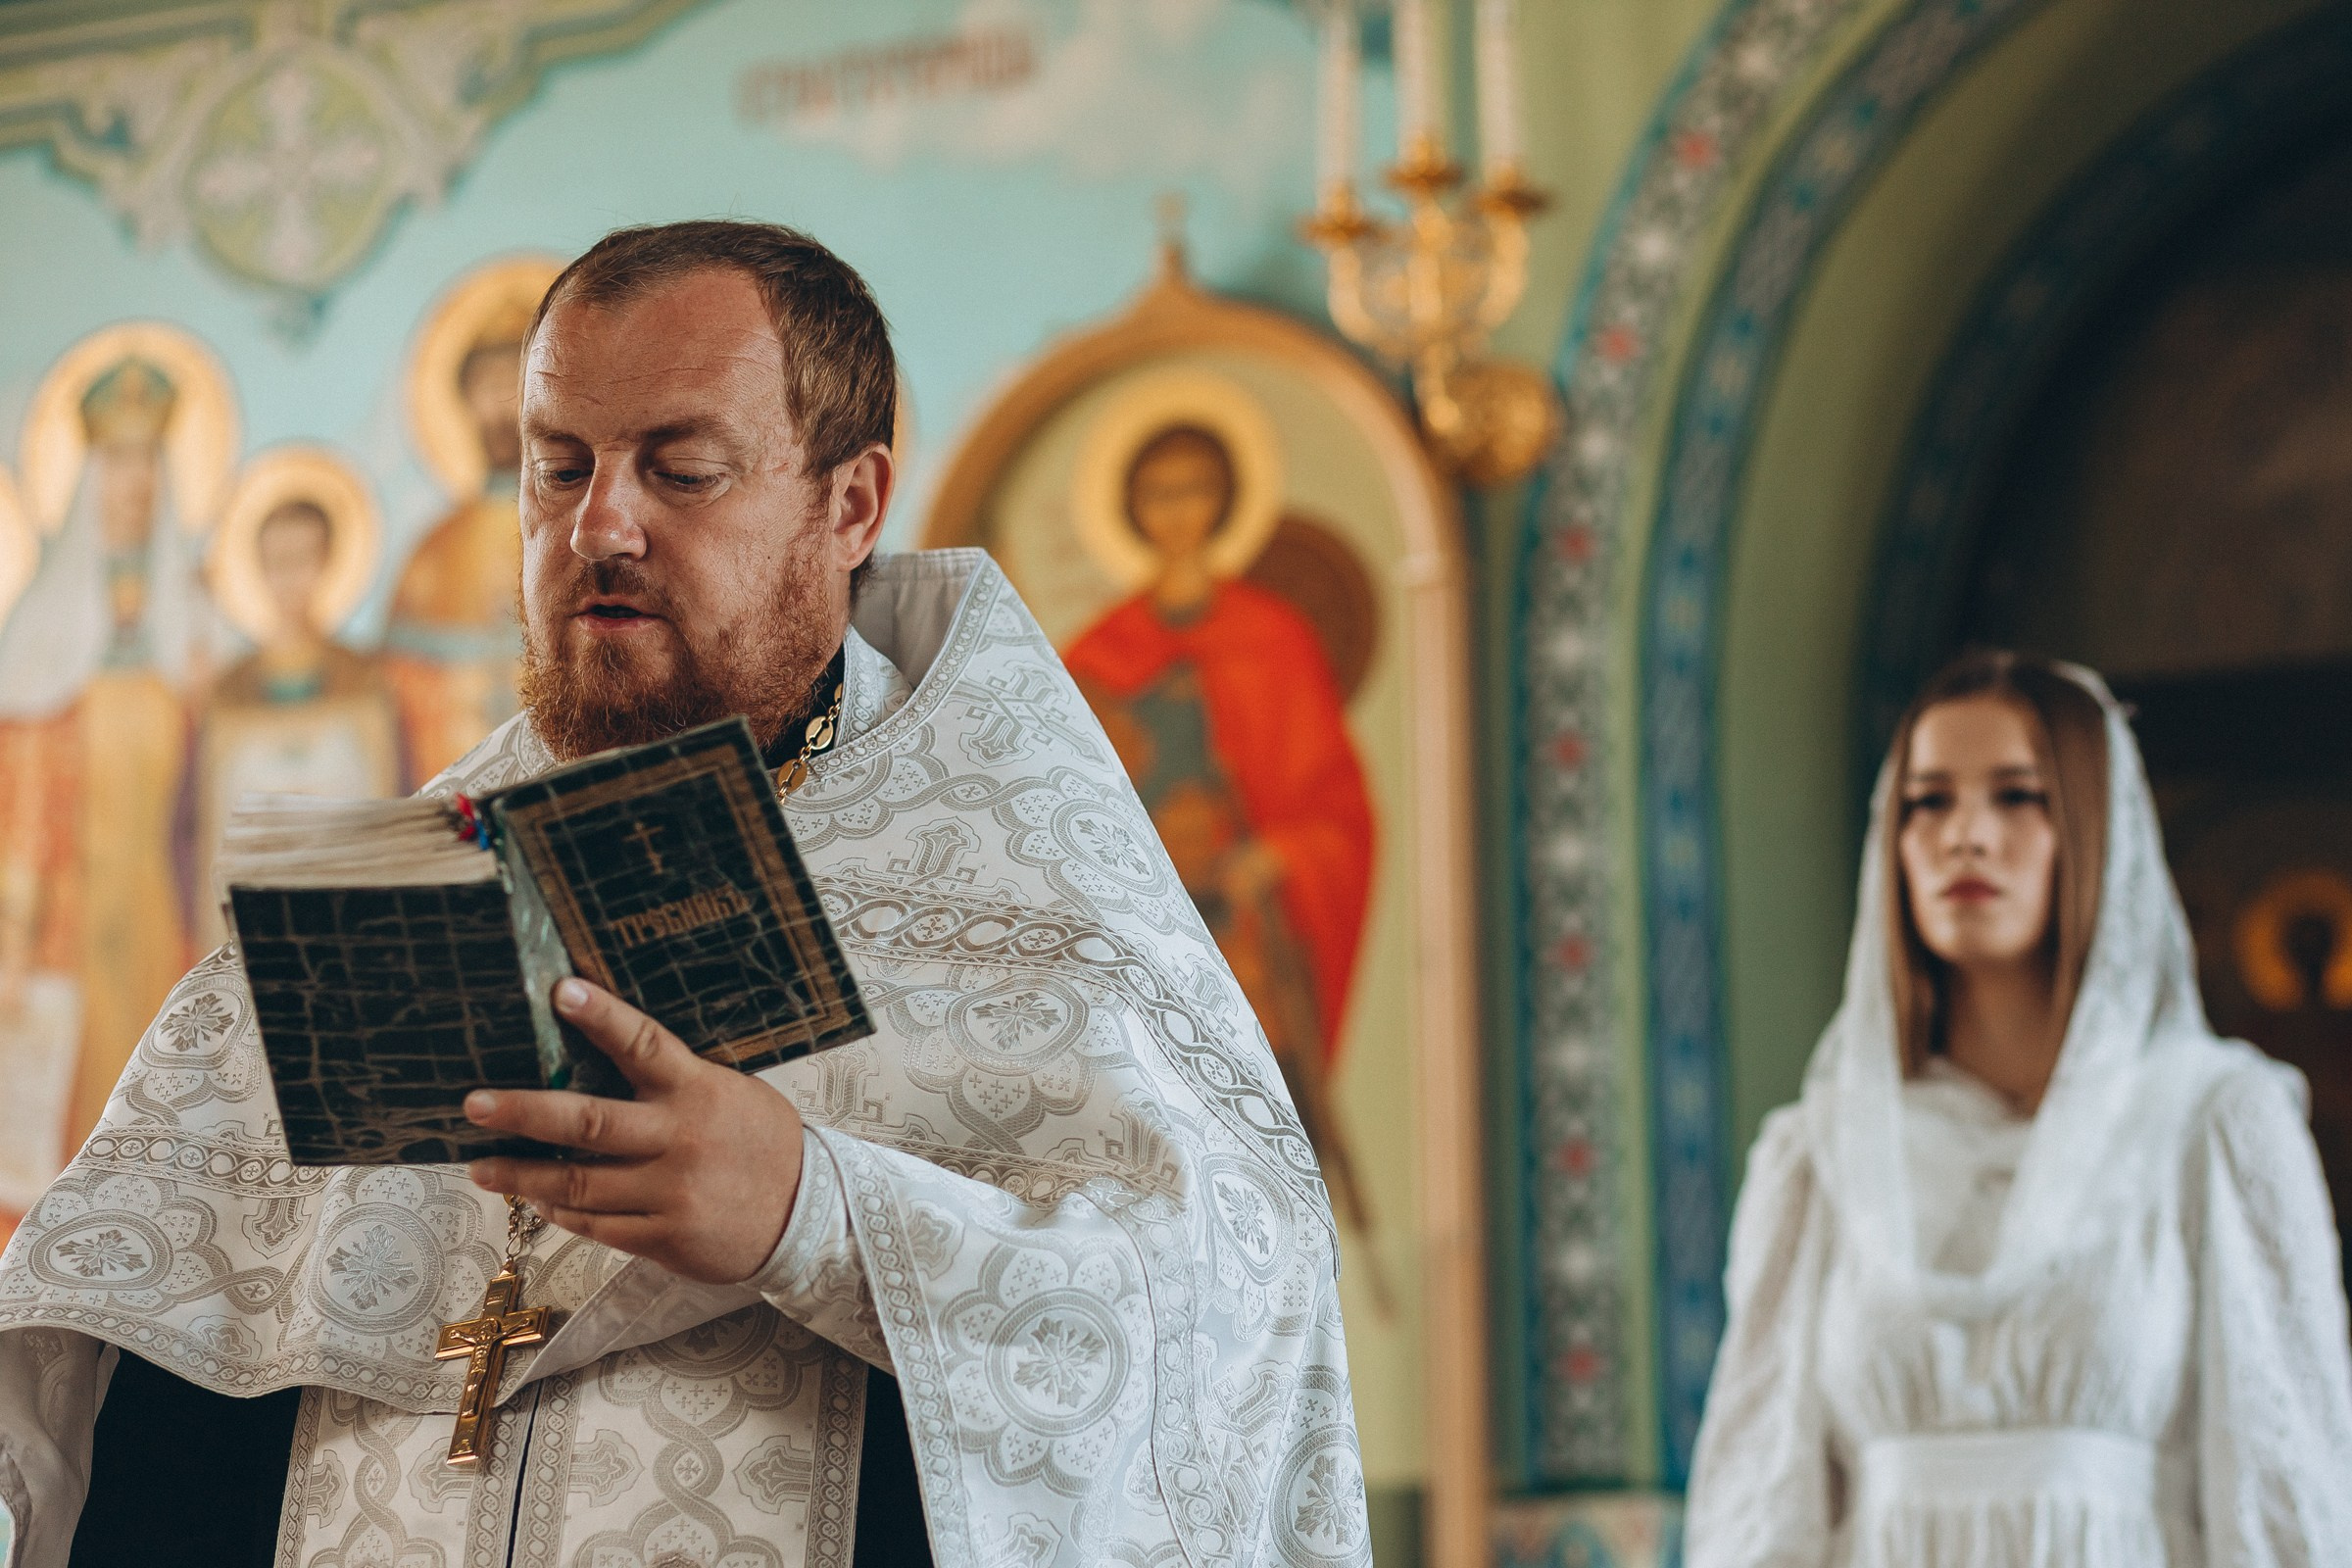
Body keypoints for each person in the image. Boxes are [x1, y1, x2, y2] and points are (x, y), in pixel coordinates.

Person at [0, 220, 1368, 1568]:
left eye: (683, 471)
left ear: (850, 506)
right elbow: (175, 1383)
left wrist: (810, 1213)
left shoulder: (1032, 893)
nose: (600, 525)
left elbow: (1229, 1327)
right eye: (559, 469)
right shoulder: (402, 887)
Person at [1684, 651, 2352, 1566]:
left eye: (2016, 797)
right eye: (1929, 802)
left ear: (2093, 827)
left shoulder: (2212, 1124)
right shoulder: (1819, 1158)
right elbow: (1757, 1505)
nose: (1966, 836)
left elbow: (2286, 1488)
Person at [1061, 424, 1379, 1257]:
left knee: (1257, 1144)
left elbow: (1335, 808)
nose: (1178, 512)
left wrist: (1280, 854)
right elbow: (1058, 805)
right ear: (1133, 507)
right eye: (1160, 493)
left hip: (1243, 939)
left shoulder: (1272, 642)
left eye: (1195, 489)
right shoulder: (1099, 651)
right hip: (1150, 935)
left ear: (1225, 500)